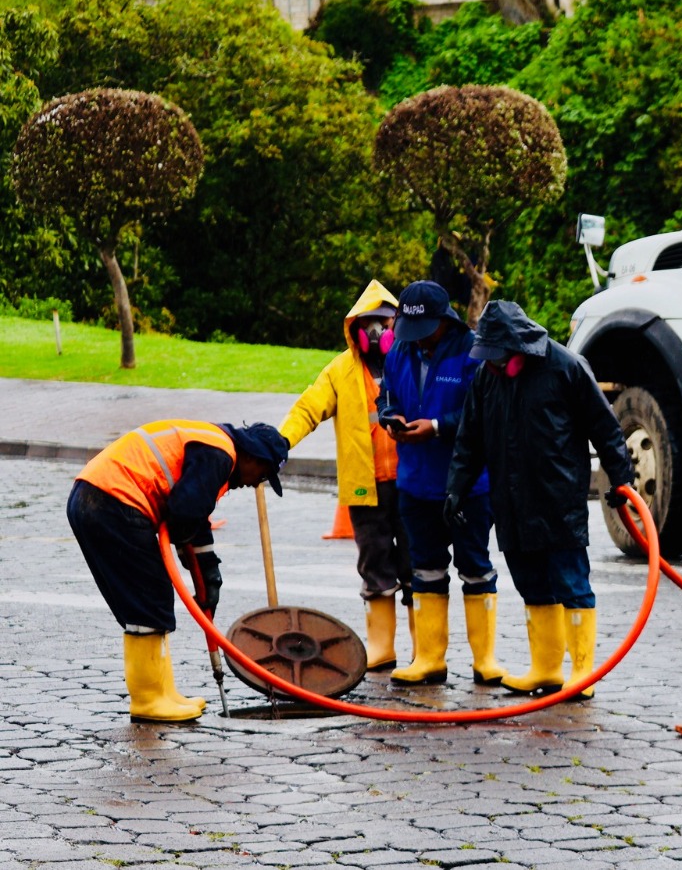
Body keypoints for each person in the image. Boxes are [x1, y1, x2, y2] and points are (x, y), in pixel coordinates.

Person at [446, 300, 634, 699]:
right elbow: (469, 440)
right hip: (511, 503)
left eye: (498, 358)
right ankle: (546, 669)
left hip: (557, 500)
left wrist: (620, 480)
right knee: (531, 583)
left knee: (571, 583)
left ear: (519, 347)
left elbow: (606, 428)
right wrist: (456, 489)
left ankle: (582, 671)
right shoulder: (486, 379)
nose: (493, 364)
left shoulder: (565, 367)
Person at [66, 420, 287, 722]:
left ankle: (163, 693)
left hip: (96, 496)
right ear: (255, 456)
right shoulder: (220, 455)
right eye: (262, 475)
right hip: (113, 501)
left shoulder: (215, 446)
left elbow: (194, 517)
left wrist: (208, 572)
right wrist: (200, 567)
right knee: (148, 599)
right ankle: (149, 700)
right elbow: (185, 514)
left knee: (148, 598)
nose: (254, 483)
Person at [279, 280, 414, 672]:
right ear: (354, 328)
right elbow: (309, 408)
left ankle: (426, 653)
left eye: (384, 322)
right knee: (374, 566)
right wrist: (280, 442)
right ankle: (381, 647)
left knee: (417, 566)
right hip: (364, 488)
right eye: (367, 323)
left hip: (412, 486)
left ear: (397, 324)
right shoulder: (340, 370)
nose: (375, 332)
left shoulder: (410, 363)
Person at [377, 280, 504, 686]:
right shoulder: (399, 351)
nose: (416, 340)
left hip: (467, 485)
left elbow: (482, 414)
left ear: (443, 322)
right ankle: (429, 659)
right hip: (414, 485)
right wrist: (389, 416)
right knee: (424, 569)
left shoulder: (472, 354)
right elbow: (386, 396)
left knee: (475, 568)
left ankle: (485, 661)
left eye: (423, 331)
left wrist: (434, 427)